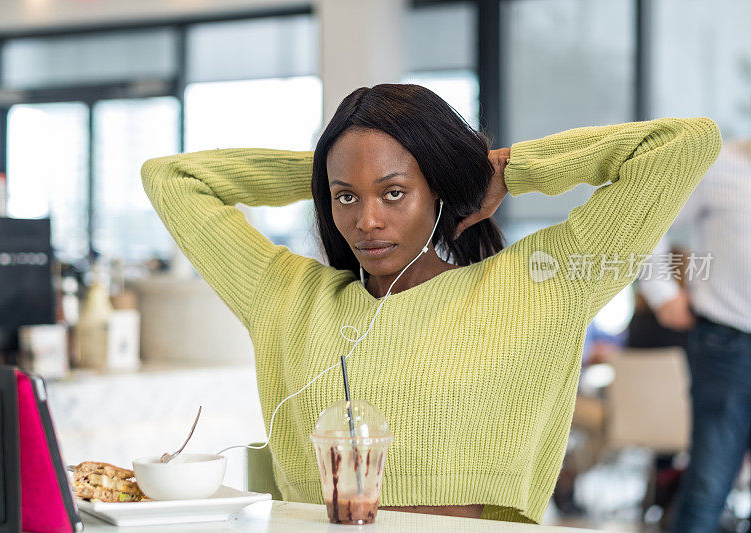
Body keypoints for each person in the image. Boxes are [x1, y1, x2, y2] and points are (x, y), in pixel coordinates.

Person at [141, 83, 721, 523]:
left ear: (437, 188)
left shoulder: (538, 288)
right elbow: (171, 178)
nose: (367, 221)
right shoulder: (286, 298)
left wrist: (508, 169)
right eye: (345, 198)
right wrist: (329, 168)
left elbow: (684, 144)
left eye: (395, 192)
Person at [636, 138, 751, 533]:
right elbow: (648, 221)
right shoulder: (720, 165)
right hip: (728, 343)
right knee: (708, 484)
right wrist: (662, 293)